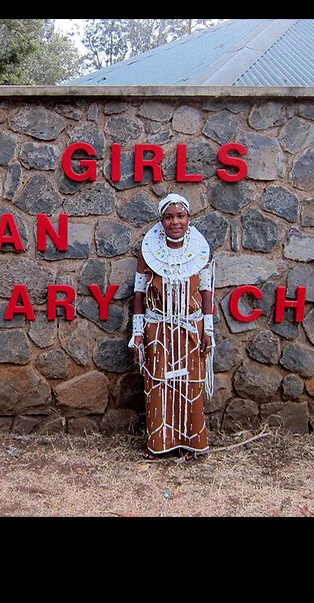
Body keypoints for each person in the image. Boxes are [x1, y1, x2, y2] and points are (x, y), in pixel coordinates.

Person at [128, 193, 216, 461]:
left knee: (190, 386)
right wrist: (138, 332)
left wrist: (208, 330)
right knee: (158, 386)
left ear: (188, 218)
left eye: (180, 216)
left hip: (191, 329)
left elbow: (207, 292)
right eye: (169, 217)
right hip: (159, 330)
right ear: (161, 220)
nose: (175, 222)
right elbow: (139, 293)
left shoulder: (201, 251)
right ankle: (159, 444)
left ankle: (192, 444)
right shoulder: (149, 251)